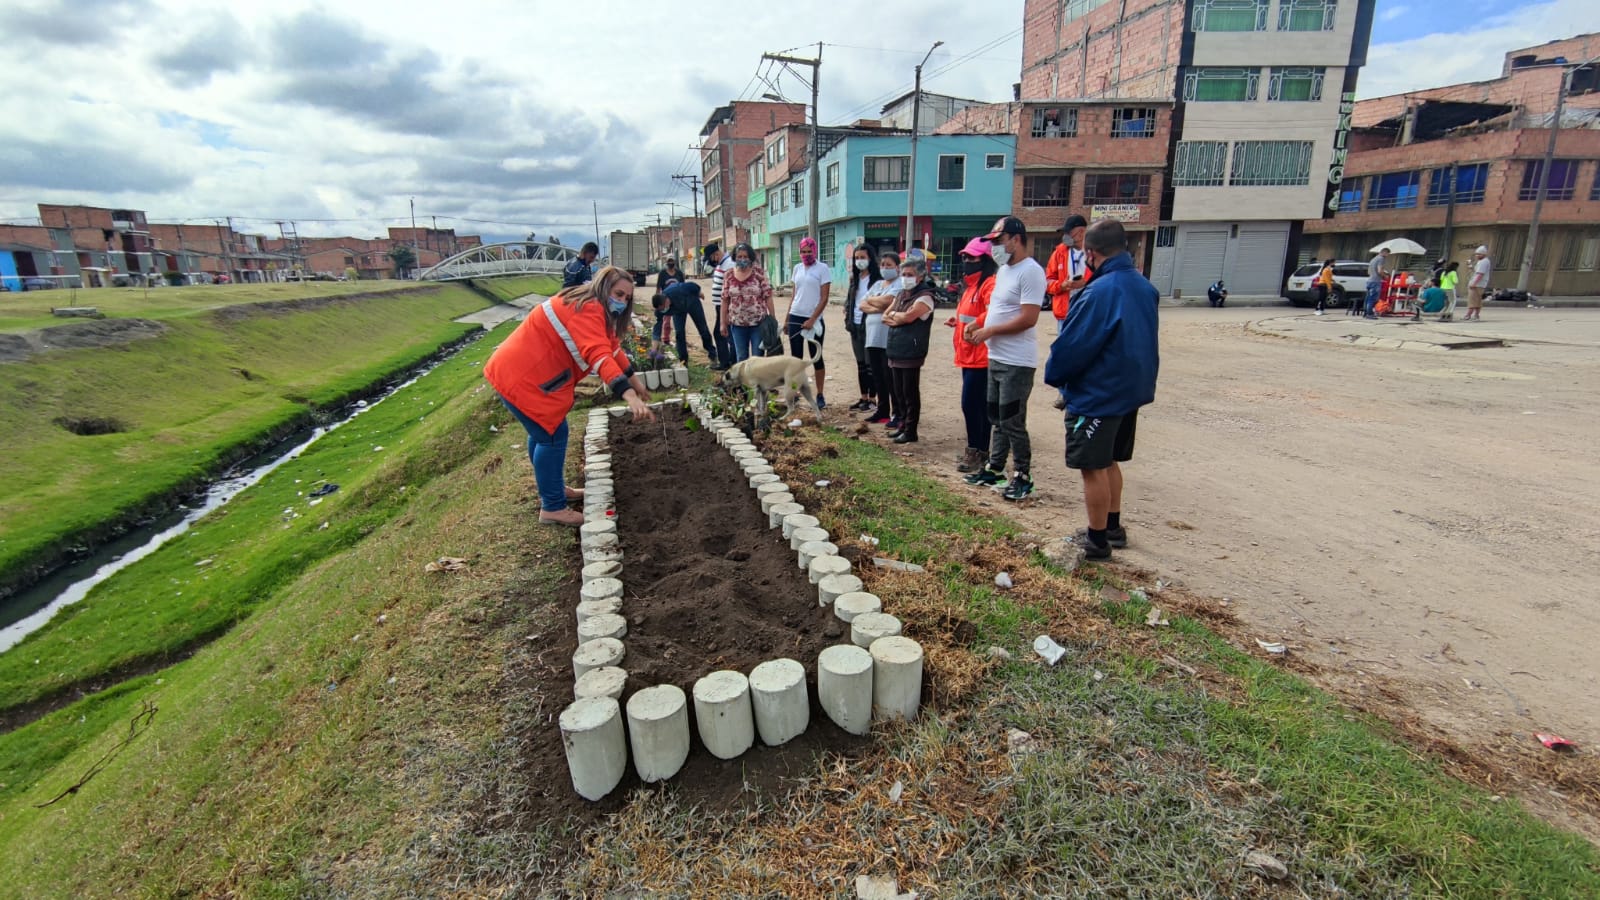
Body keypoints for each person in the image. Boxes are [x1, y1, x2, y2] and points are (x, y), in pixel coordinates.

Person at [484, 265, 654, 526]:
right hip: (522, 377)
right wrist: (629, 395)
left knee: (545, 433)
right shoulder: (589, 309)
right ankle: (552, 507)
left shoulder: (593, 307)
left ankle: (553, 489)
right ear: (603, 286)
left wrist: (635, 382)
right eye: (618, 294)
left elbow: (612, 348)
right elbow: (599, 356)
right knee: (552, 436)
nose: (621, 301)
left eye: (626, 298)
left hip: (526, 375)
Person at [1043, 220, 1159, 560]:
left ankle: (1096, 541)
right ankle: (1112, 526)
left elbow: (1074, 346)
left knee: (1093, 466)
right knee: (1109, 462)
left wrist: (1057, 376)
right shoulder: (1144, 287)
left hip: (1099, 392)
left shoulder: (1099, 292)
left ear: (1090, 253)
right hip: (1130, 390)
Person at [964, 216, 1045, 502]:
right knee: (996, 416)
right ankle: (995, 467)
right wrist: (977, 323)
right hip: (996, 356)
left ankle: (1023, 475)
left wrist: (989, 331)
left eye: (999, 241)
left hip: (1016, 361)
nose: (995, 247)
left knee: (1012, 420)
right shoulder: (1004, 271)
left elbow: (1028, 318)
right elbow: (998, 309)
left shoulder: (1030, 272)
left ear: (1016, 239)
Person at [948, 237, 996, 472]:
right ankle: (978, 450)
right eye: (965, 257)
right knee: (974, 405)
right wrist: (956, 322)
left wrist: (974, 324)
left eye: (972, 257)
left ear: (985, 260)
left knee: (973, 405)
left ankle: (978, 450)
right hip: (968, 355)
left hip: (981, 356)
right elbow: (967, 316)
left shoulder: (989, 284)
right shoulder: (971, 286)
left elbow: (993, 312)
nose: (966, 261)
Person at [883, 250, 938, 444]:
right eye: (904, 275)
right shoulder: (901, 294)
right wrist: (899, 318)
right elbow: (885, 316)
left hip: (912, 351)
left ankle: (911, 430)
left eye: (910, 275)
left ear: (921, 276)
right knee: (898, 392)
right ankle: (902, 426)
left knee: (909, 392)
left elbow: (908, 317)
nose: (906, 278)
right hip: (896, 349)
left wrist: (897, 317)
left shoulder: (925, 297)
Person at [1045, 214, 1090, 410]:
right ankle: (1064, 393)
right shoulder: (1059, 253)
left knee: (1087, 350)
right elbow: (1047, 281)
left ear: (1080, 232)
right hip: (1065, 311)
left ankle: (1084, 390)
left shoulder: (1094, 252)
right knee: (1064, 351)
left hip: (1089, 308)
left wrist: (1085, 283)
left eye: (1069, 233)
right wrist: (1061, 285)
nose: (1066, 238)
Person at [788, 236, 832, 409]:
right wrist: (786, 319)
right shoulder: (797, 268)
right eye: (803, 252)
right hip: (795, 315)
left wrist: (812, 319)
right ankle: (794, 392)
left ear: (815, 251)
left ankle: (820, 395)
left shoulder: (822, 269)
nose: (806, 255)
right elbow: (794, 295)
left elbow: (825, 297)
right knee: (795, 360)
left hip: (814, 318)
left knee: (817, 357)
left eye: (809, 251)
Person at [860, 249, 902, 426]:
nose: (885, 268)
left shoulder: (899, 284)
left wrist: (875, 302)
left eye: (889, 265)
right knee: (877, 377)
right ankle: (882, 410)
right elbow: (862, 304)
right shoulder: (877, 285)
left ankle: (897, 413)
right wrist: (878, 305)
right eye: (883, 265)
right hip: (872, 338)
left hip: (888, 339)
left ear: (897, 268)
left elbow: (890, 302)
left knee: (890, 377)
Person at [720, 242, 775, 362]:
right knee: (741, 358)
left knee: (757, 359)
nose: (742, 259)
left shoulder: (758, 273)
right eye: (739, 257)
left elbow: (768, 296)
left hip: (758, 324)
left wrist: (773, 319)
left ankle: (757, 381)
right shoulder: (728, 275)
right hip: (737, 325)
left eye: (745, 256)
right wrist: (723, 323)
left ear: (750, 257)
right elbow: (724, 300)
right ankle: (744, 381)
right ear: (734, 257)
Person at [843, 245, 881, 411]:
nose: (859, 261)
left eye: (862, 257)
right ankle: (863, 397)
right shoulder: (854, 279)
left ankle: (873, 399)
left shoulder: (877, 281)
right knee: (860, 364)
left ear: (870, 259)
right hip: (855, 325)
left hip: (870, 325)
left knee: (870, 364)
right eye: (857, 258)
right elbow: (850, 300)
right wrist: (847, 312)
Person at [650, 280, 716, 364]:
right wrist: (654, 348)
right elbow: (657, 329)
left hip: (692, 303)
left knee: (702, 329)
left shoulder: (677, 289)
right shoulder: (659, 310)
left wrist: (699, 292)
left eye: (663, 308)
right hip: (678, 312)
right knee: (679, 333)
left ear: (666, 301)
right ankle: (683, 361)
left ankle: (712, 355)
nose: (663, 311)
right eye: (660, 310)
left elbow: (692, 285)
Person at [704, 243, 737, 369]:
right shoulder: (721, 264)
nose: (711, 261)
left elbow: (731, 286)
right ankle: (726, 362)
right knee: (723, 334)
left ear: (716, 254)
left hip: (726, 306)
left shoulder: (729, 264)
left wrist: (727, 310)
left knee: (724, 334)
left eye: (711, 258)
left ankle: (729, 363)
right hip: (720, 305)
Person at [1465, 245, 1491, 321]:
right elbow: (1476, 271)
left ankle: (1468, 315)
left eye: (1479, 254)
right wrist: (1470, 266)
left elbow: (1480, 274)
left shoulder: (1483, 262)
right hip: (1480, 284)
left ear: (1484, 254)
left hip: (1477, 284)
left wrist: (1474, 283)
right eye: (1476, 254)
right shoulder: (1482, 261)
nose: (1477, 256)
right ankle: (1476, 315)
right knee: (1477, 300)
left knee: (1472, 300)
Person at [1364, 248, 1390, 318]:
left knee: (1368, 298)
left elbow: (1368, 272)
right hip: (1375, 281)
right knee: (1373, 298)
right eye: (1387, 254)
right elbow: (1379, 270)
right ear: (1384, 252)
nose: (1387, 256)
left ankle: (1366, 313)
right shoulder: (1381, 259)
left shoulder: (1373, 259)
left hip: (1369, 280)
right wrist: (1384, 276)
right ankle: (1369, 314)